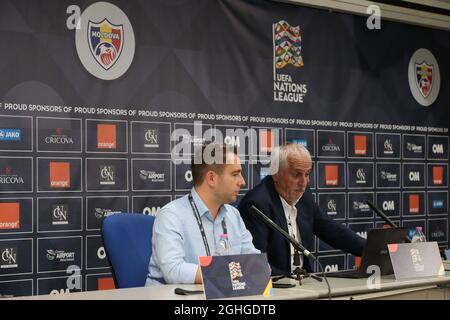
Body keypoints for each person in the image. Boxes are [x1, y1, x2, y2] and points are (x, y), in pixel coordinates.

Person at [238, 143, 366, 276]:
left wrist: (371, 249)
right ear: (276, 174)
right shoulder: (257, 204)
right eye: (297, 174)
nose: (303, 182)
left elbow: (333, 231)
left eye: (307, 174)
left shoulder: (303, 197)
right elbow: (257, 264)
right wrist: (293, 281)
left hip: (304, 283)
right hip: (276, 287)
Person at [146, 143, 260, 285]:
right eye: (235, 174)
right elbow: (173, 271)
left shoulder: (233, 215)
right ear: (211, 178)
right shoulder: (171, 215)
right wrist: (229, 273)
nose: (242, 182)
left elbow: (256, 263)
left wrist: (258, 268)